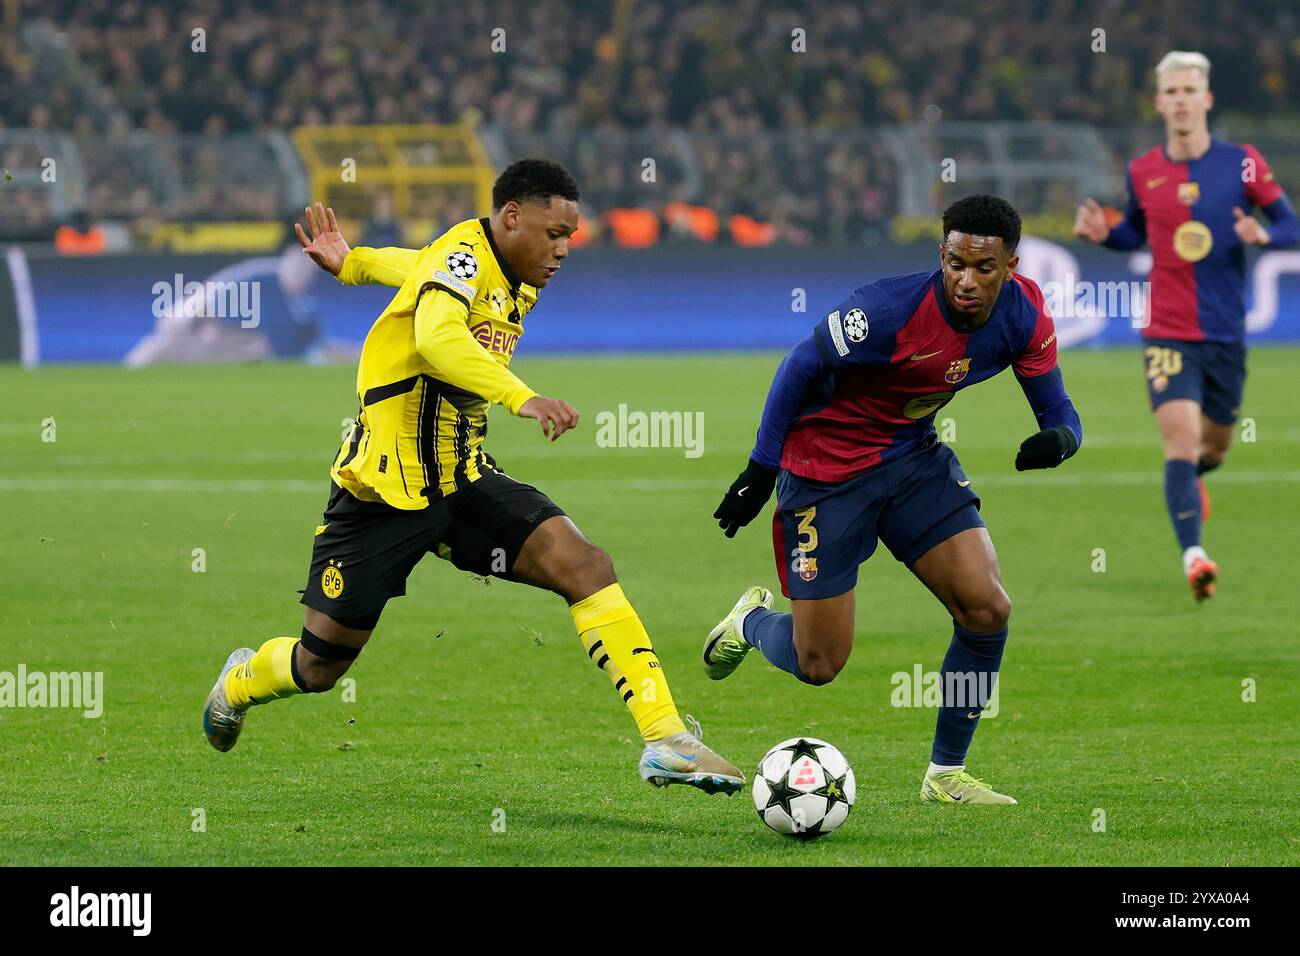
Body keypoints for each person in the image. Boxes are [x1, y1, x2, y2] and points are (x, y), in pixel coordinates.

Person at [202, 160, 745, 795]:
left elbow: (418, 267)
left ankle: (666, 738)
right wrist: (521, 397)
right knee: (318, 667)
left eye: (570, 235)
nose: (563, 249)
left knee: (586, 566)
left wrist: (354, 263)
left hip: (463, 479)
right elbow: (436, 336)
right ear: (510, 216)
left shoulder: (511, 272)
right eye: (553, 233)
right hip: (383, 493)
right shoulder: (466, 254)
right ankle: (240, 679)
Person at [707, 195, 1082, 805]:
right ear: (942, 254)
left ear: (1010, 265)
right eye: (955, 263)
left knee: (987, 609)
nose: (966, 280)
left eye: (983, 268)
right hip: (823, 473)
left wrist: (1060, 439)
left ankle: (945, 775)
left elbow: (1059, 410)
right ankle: (750, 622)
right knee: (820, 662)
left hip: (912, 460)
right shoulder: (883, 311)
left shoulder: (1024, 315)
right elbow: (800, 364)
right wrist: (760, 468)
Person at [1074, 51, 1297, 600]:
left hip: (1225, 333)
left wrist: (1263, 237)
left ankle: (1193, 483)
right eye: (1169, 92)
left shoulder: (1243, 163)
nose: (1179, 100)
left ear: (1206, 99)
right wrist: (1106, 235)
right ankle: (1195, 557)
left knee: (1214, 449)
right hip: (1167, 329)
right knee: (1181, 439)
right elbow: (1135, 232)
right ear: (1159, 102)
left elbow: (1290, 223)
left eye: (1188, 91)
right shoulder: (1144, 170)